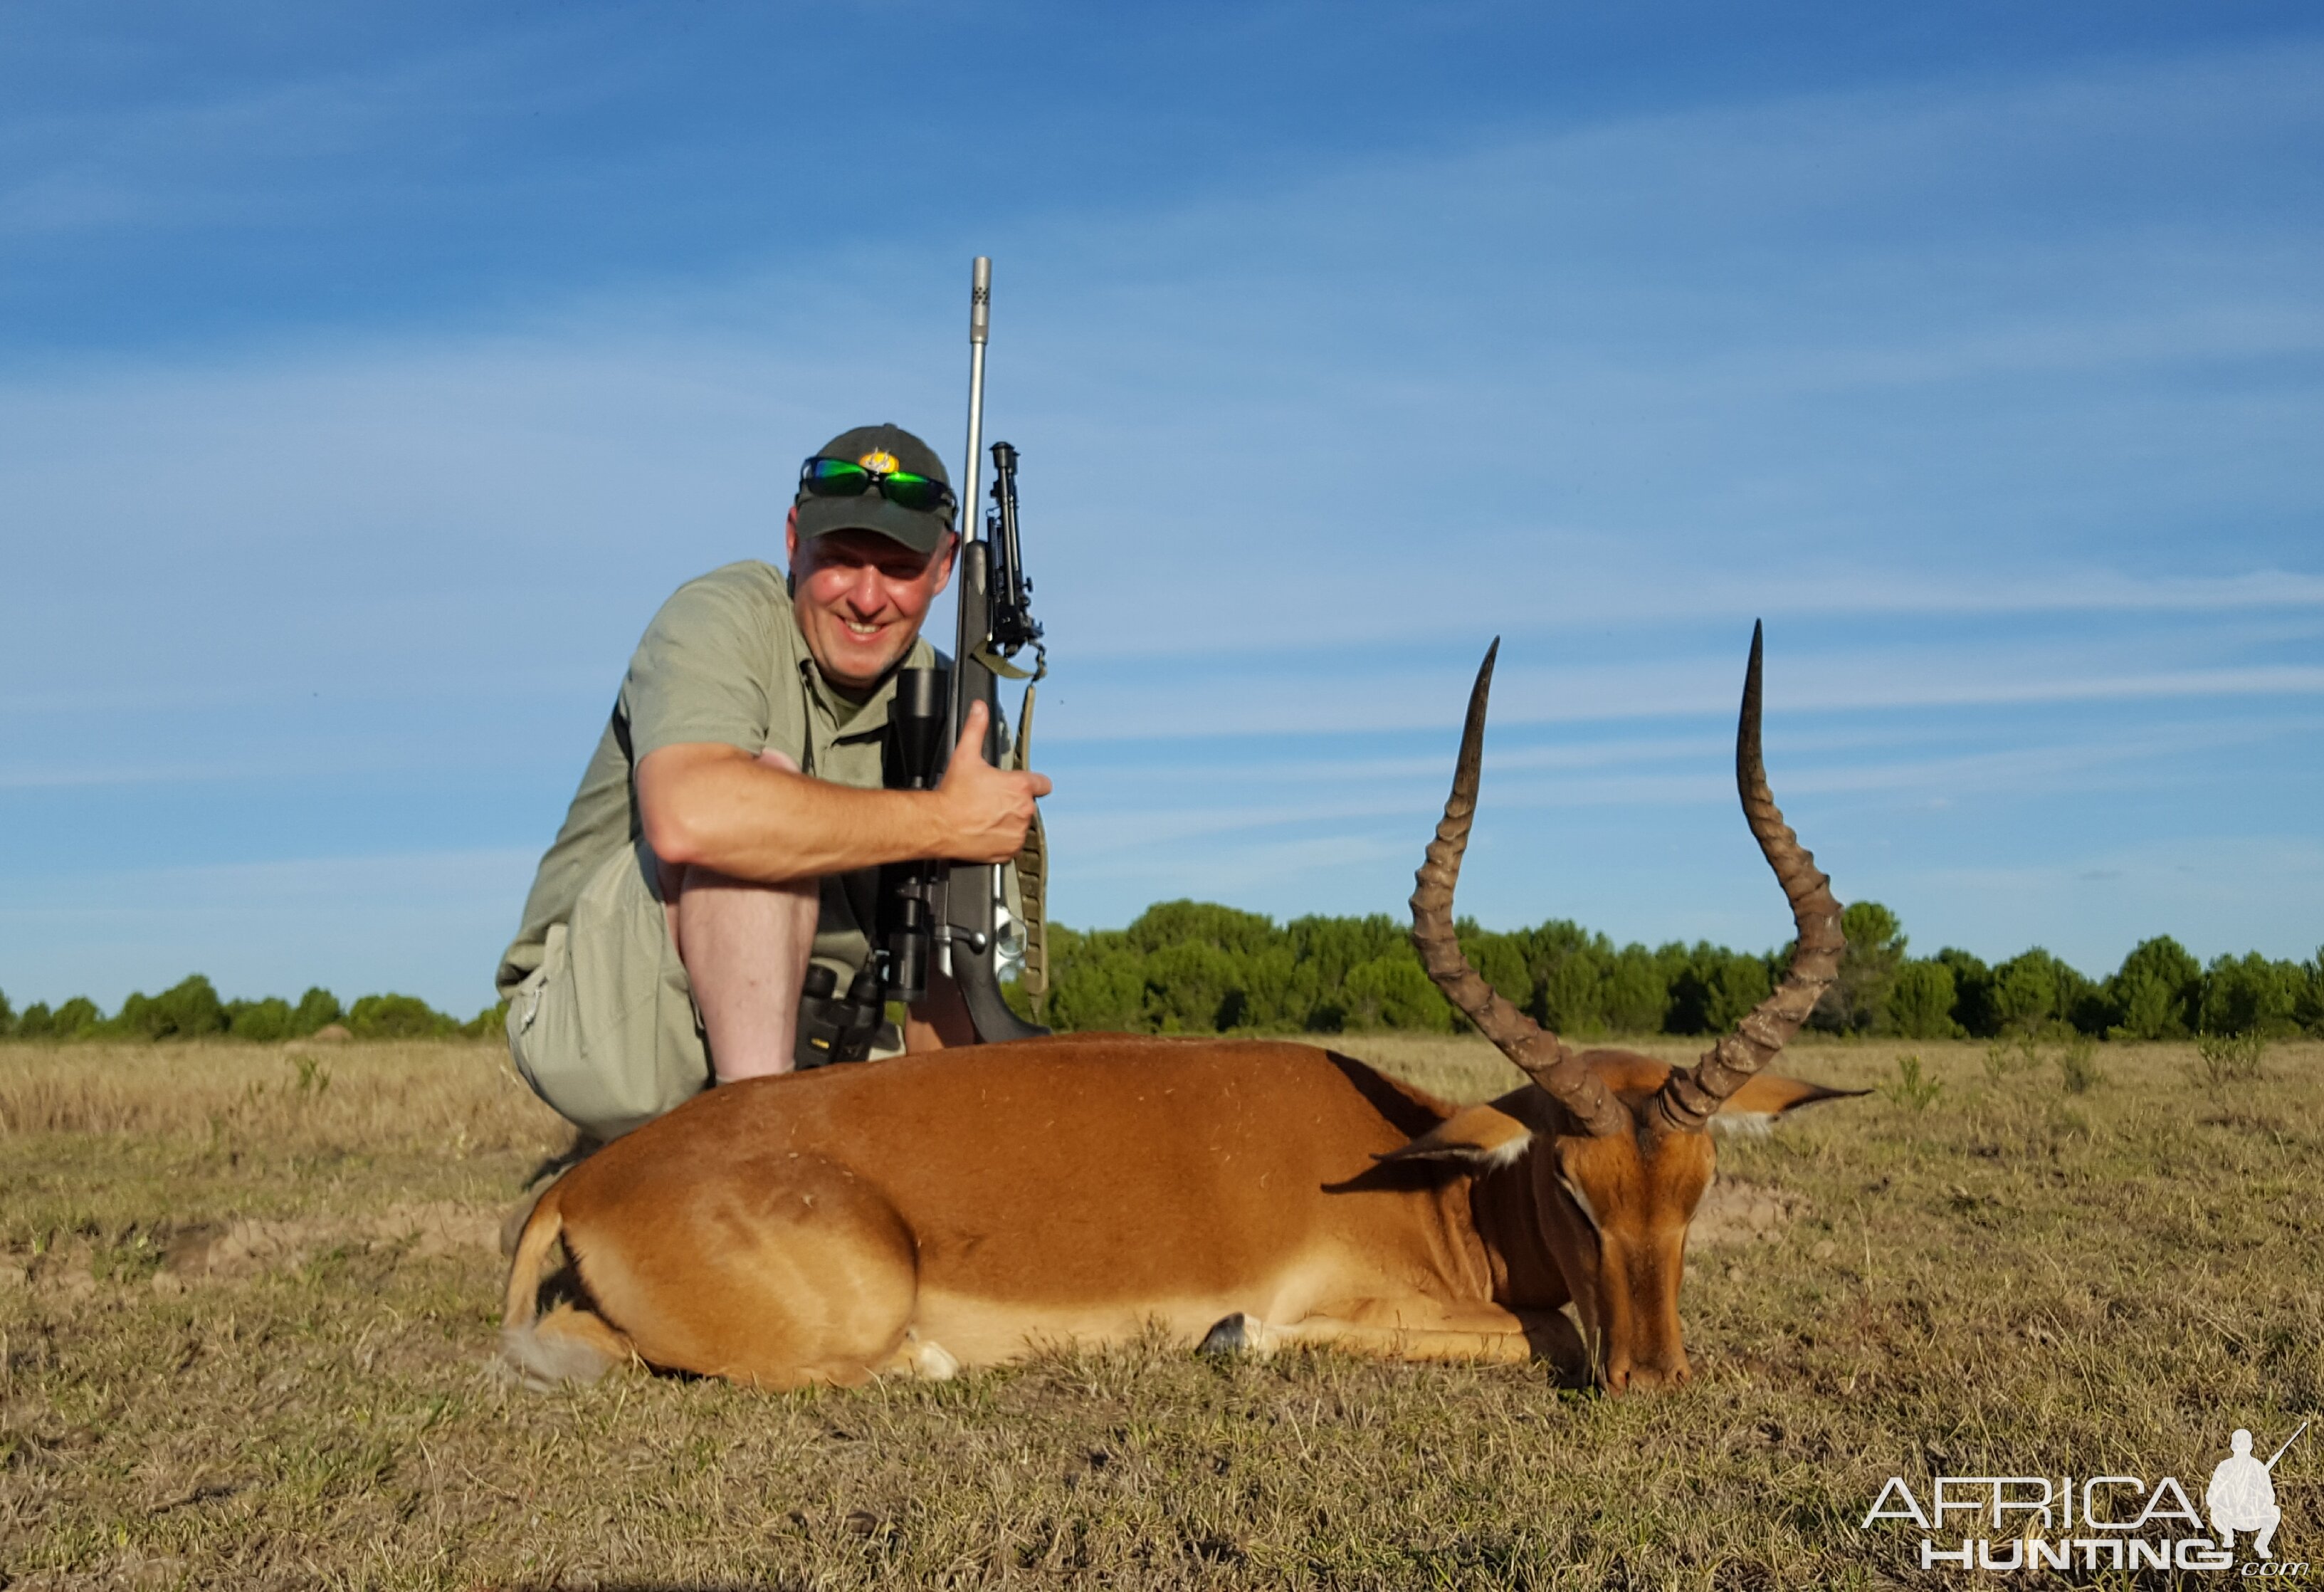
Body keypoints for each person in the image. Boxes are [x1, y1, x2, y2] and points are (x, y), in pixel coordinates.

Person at [494, 423, 1051, 1141]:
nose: (867, 596)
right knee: (758, 812)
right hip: (600, 1019)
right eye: (842, 559)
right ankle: (755, 1172)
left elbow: (948, 963)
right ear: (793, 538)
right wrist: (943, 820)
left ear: (944, 569)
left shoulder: (957, 705)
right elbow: (693, 815)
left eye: (899, 567)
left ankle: (760, 1143)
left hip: (820, 1040)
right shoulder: (723, 614)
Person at [2206, 1428, 2280, 1559]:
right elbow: (2271, 1499)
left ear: (2233, 1446)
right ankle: (2234, 1537)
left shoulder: (2226, 1467)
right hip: (2241, 1518)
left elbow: (2210, 1499)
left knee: (2215, 1511)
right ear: (2251, 1446)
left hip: (2237, 1518)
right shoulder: (2257, 1467)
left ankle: (2238, 1538)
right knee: (2275, 1512)